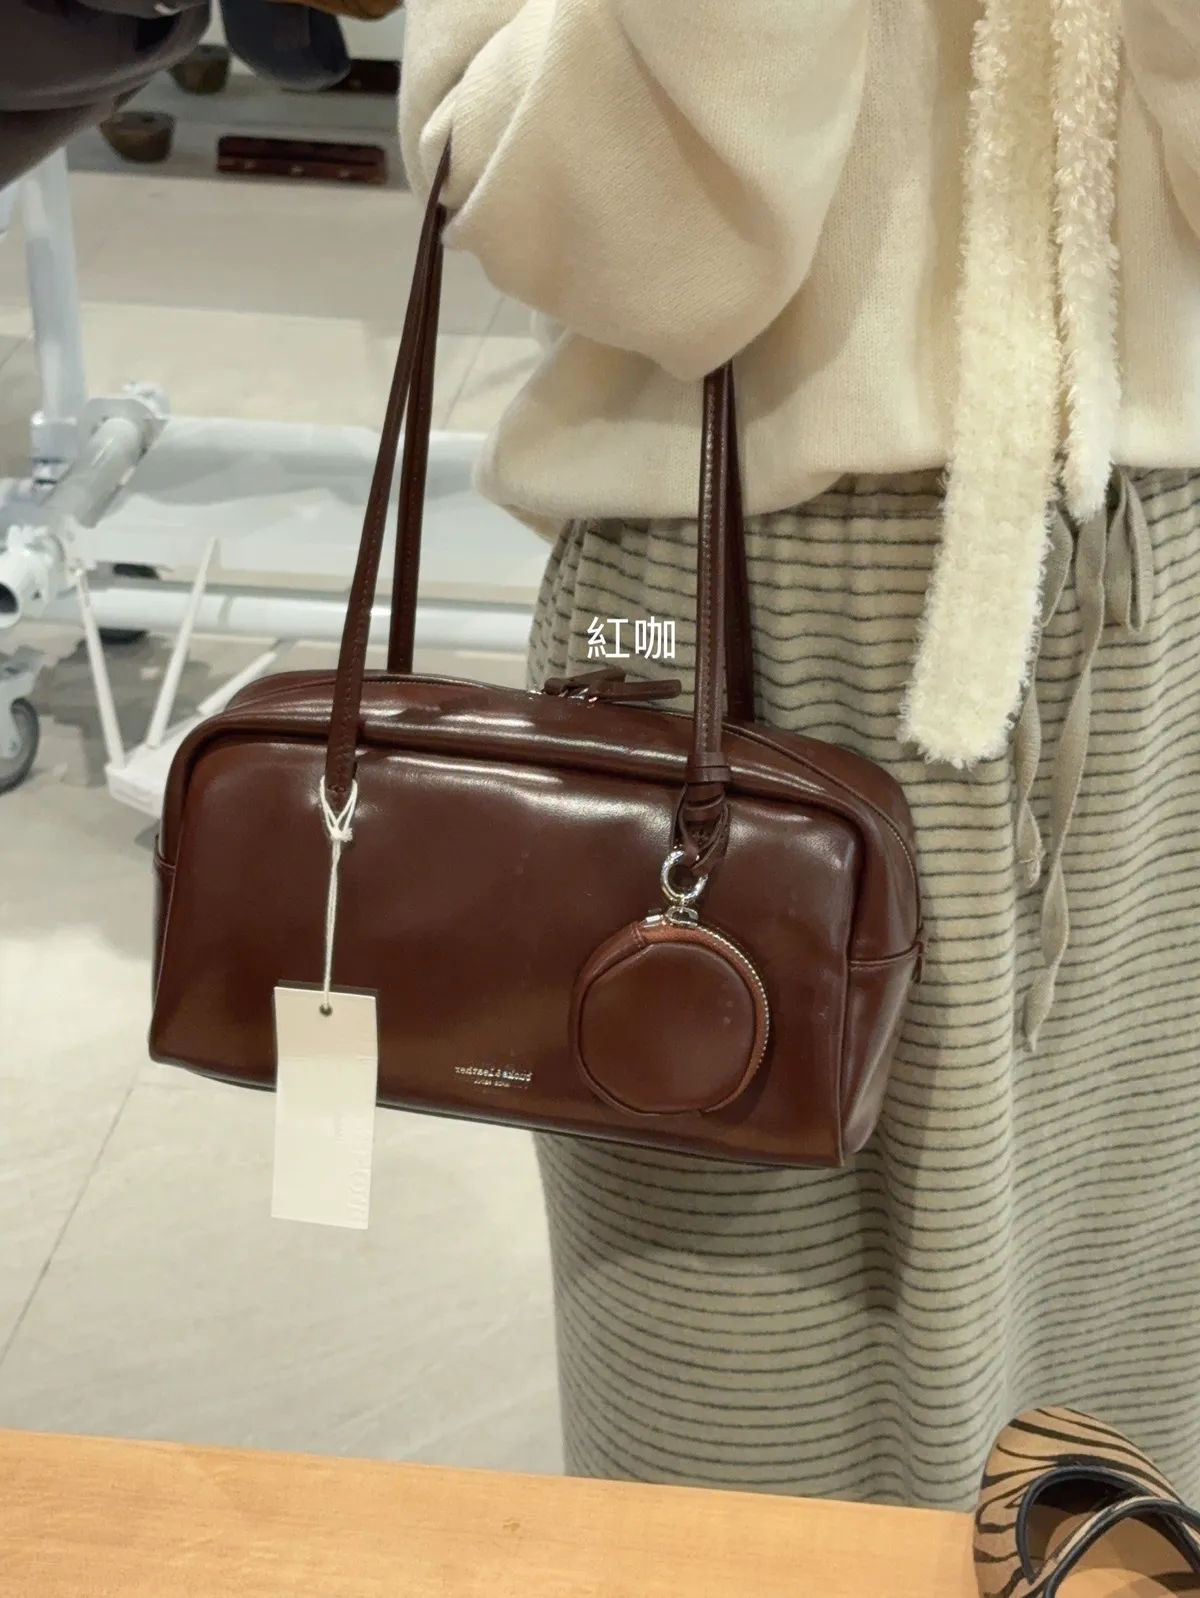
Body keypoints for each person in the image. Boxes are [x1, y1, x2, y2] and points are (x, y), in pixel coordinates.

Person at [399, 0, 1200, 1509]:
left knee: (1119, 1426)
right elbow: (579, 225)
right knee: (721, 1422)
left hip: (1141, 613)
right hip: (721, 607)